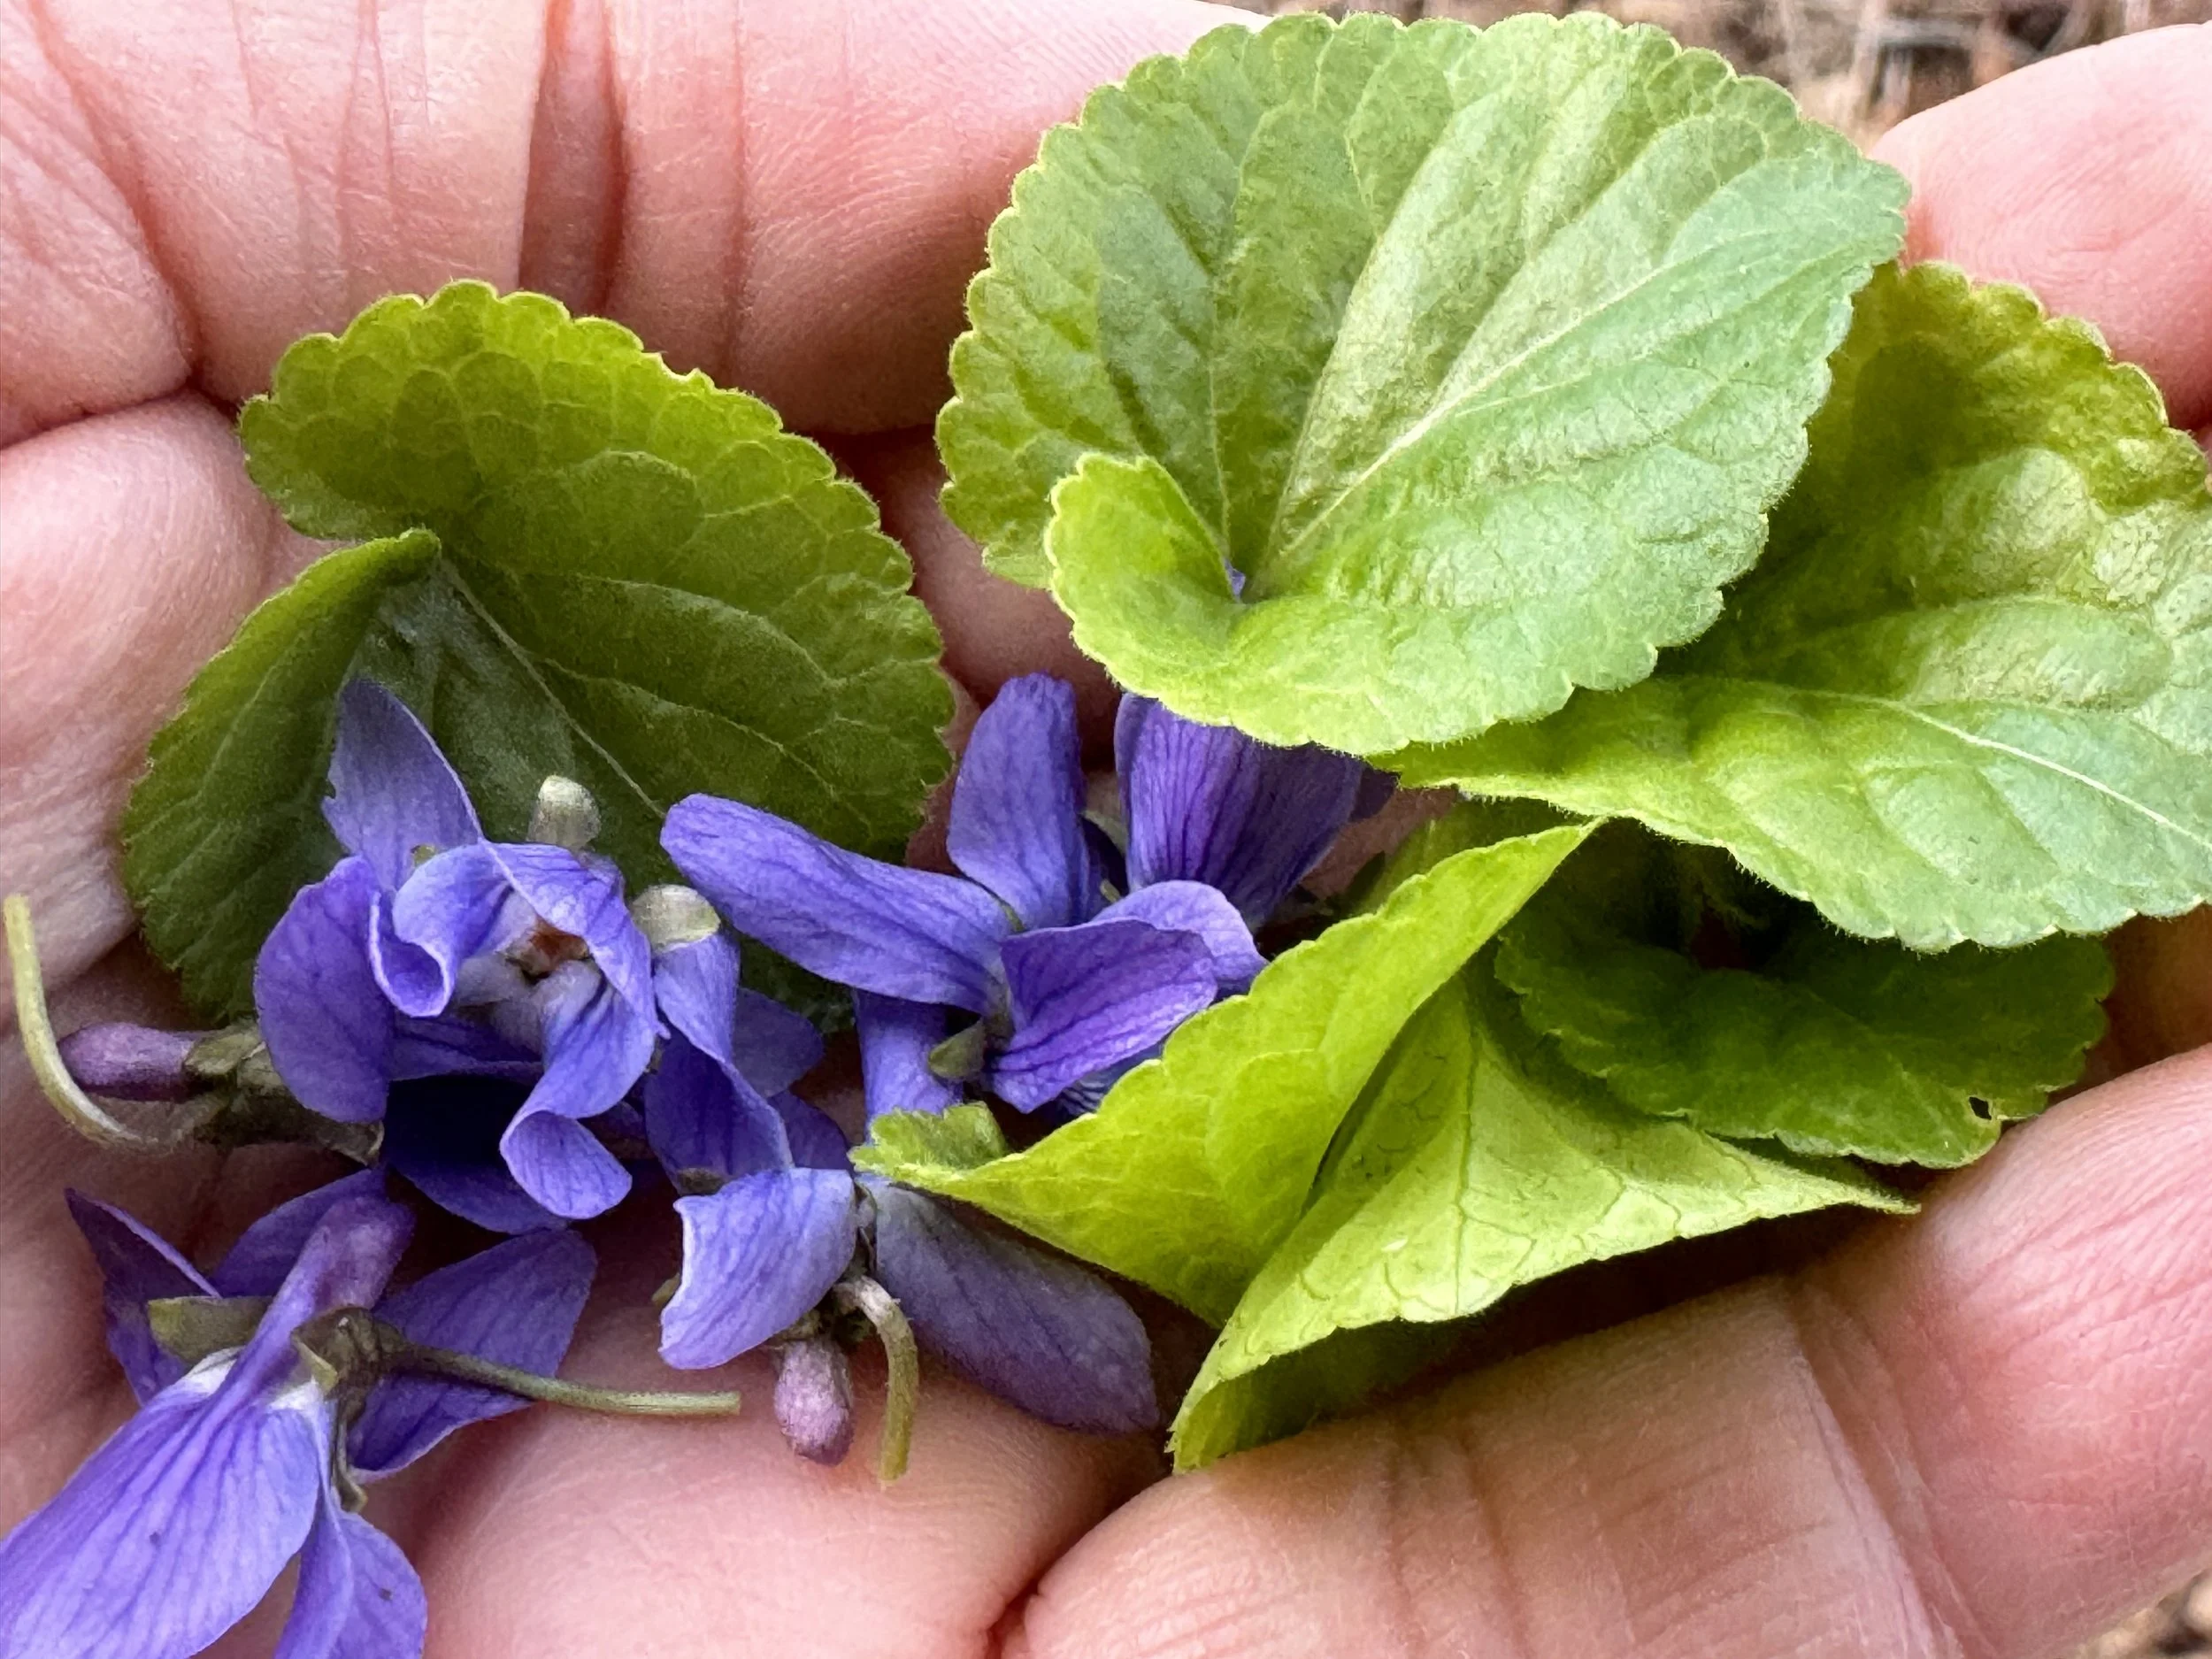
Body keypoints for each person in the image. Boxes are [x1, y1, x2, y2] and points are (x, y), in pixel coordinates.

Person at [0, 4, 2208, 1654]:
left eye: (540, 947)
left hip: (949, 979)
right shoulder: (765, 1090)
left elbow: (919, 913)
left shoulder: (863, 1005)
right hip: (873, 1039)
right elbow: (781, 1023)